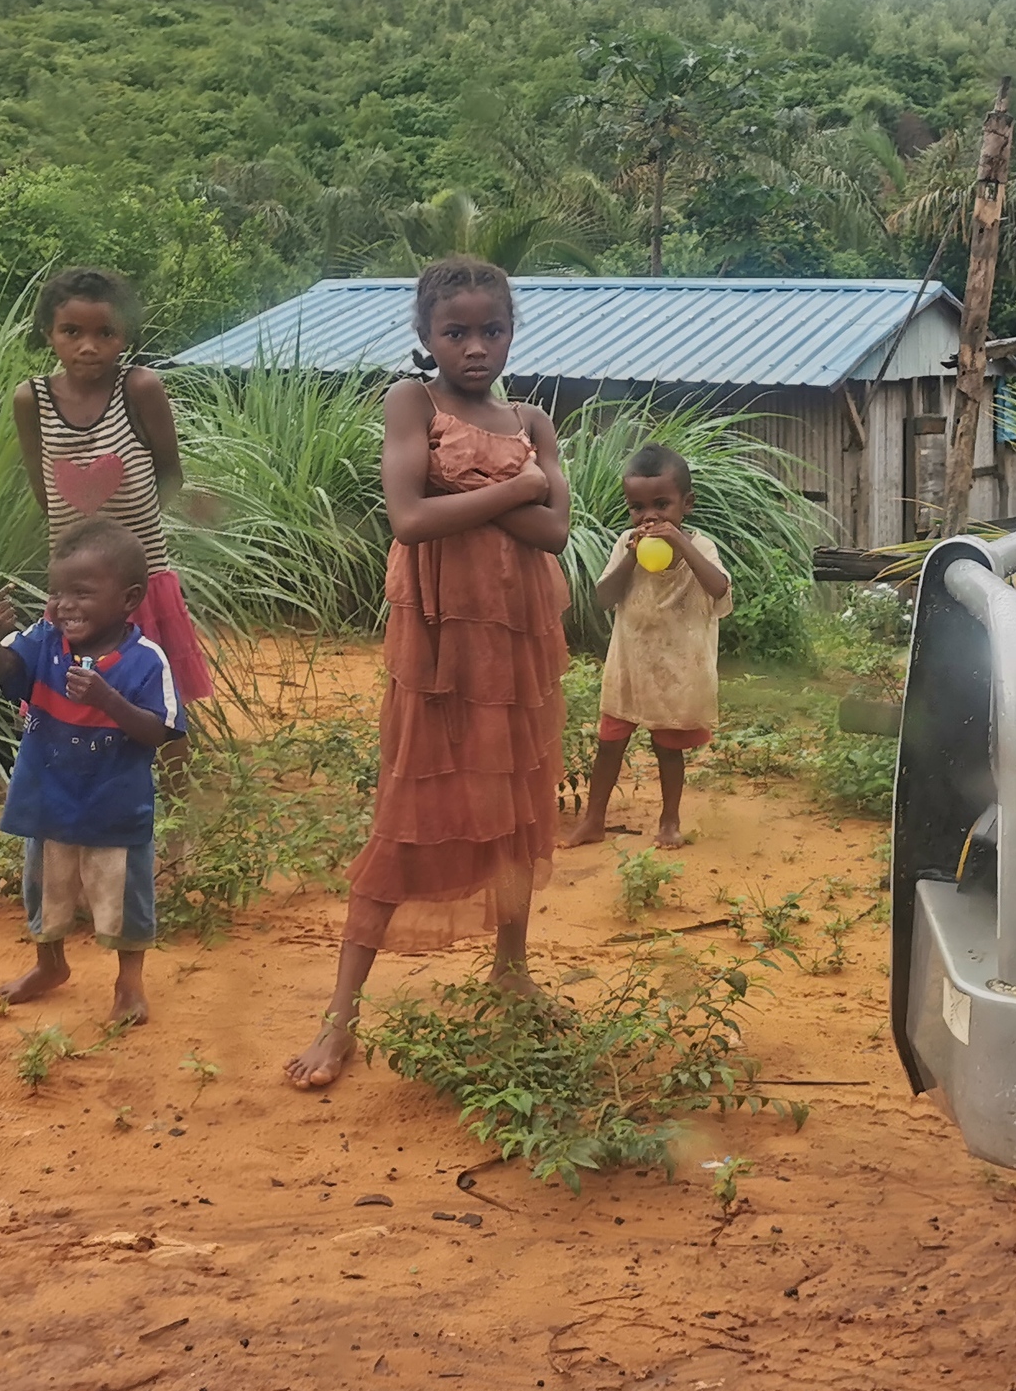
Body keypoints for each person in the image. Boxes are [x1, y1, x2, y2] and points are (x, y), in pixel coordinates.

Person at [287, 258, 571, 1091]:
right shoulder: (413, 402)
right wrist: (516, 488)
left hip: (517, 640)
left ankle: (511, 969)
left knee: (516, 802)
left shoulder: (533, 419)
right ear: (425, 337)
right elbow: (410, 519)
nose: (475, 347)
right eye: (457, 332)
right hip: (441, 642)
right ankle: (340, 1020)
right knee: (410, 810)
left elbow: (555, 536)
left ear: (512, 332)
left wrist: (494, 492)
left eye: (492, 330)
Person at [0, 517, 186, 1027]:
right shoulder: (44, 641)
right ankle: (50, 966)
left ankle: (129, 984)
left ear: (129, 599)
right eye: (58, 592)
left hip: (113, 806)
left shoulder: (146, 662)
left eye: (82, 593)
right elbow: (5, 672)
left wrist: (107, 699)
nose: (65, 605)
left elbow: (160, 731)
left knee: (123, 900)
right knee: (46, 890)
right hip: (46, 801)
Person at [12, 266, 215, 705]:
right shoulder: (32, 400)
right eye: (71, 331)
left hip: (138, 582)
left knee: (160, 703)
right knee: (69, 705)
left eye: (105, 333)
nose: (88, 346)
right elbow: (44, 488)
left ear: (125, 336)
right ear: (48, 332)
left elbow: (170, 474)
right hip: (72, 590)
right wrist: (84, 550)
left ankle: (177, 778)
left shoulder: (139, 388)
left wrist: (125, 542)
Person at [565, 444, 734, 852]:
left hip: (677, 669)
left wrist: (681, 545)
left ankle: (669, 820)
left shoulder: (702, 546)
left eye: (662, 504)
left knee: (667, 748)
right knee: (609, 745)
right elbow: (605, 597)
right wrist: (630, 557)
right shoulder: (626, 543)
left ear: (686, 504)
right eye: (638, 508)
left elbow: (719, 589)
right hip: (630, 665)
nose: (650, 517)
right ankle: (593, 819)